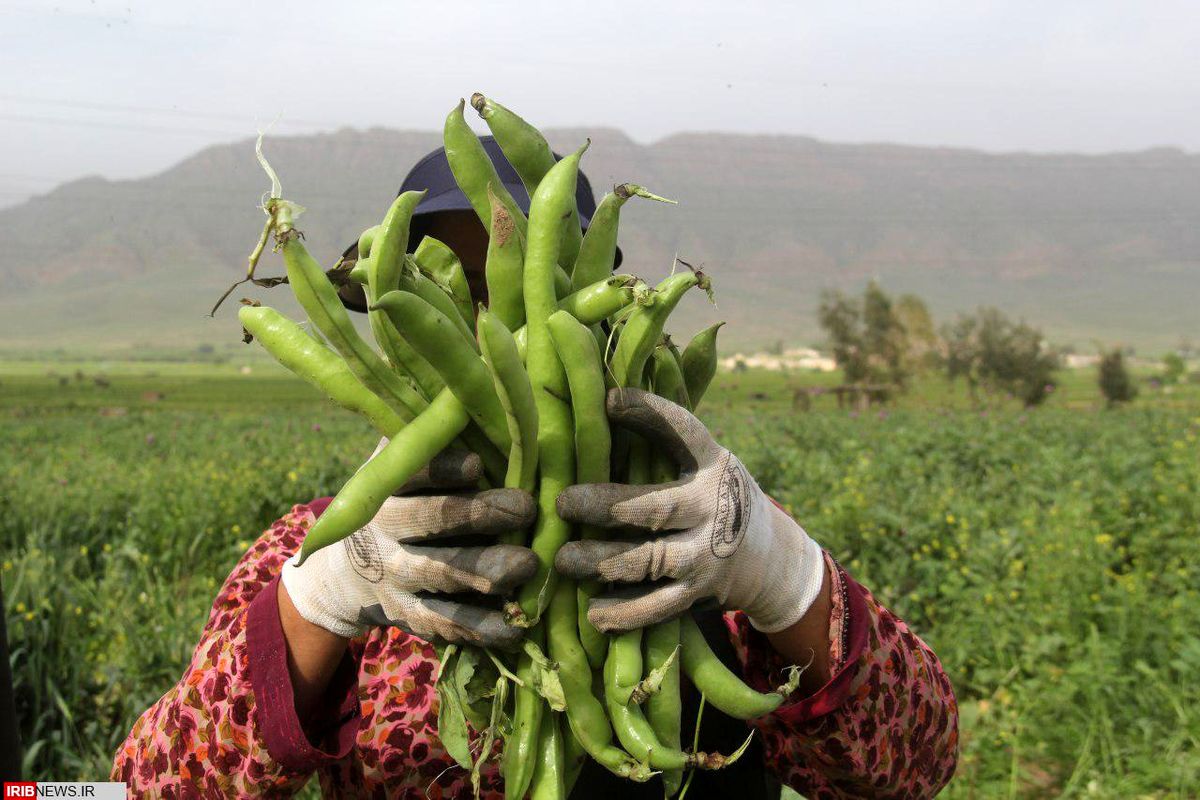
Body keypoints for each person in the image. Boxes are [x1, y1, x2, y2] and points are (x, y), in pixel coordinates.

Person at [113, 139, 958, 799]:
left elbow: (915, 768)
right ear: (395, 327)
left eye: (527, 285)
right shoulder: (315, 548)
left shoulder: (699, 532)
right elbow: (133, 793)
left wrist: (779, 571)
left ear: (597, 300)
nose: (494, 325)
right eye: (450, 291)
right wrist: (324, 597)